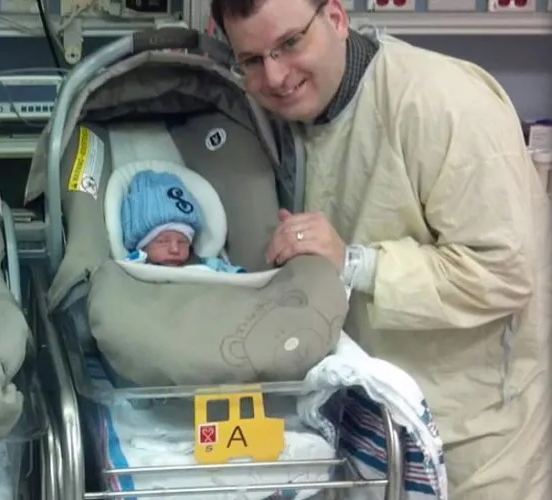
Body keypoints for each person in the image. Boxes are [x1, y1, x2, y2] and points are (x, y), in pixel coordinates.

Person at [210, 0, 551, 497]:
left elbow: (504, 269)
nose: (277, 76)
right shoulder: (277, 121)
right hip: (364, 426)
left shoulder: (442, 103)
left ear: (336, 18)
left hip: (473, 442)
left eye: (290, 43)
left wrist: (355, 264)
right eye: (253, 60)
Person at [121, 170, 243, 272]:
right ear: (142, 246)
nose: (175, 249)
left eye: (182, 242)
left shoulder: (204, 264)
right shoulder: (134, 266)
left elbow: (231, 274)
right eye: (162, 241)